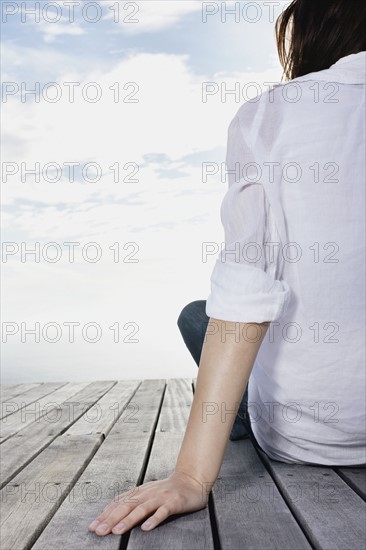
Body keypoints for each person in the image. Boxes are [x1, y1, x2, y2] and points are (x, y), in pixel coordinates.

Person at [88, 0, 366, 536]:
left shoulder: (270, 114)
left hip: (309, 439)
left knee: (201, 314)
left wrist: (191, 475)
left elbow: (246, 291)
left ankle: (233, 417)